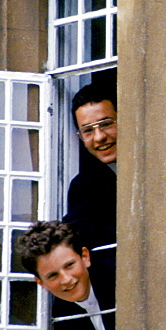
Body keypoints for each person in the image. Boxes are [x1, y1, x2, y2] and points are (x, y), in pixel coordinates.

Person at [18, 221, 115, 330]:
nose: (66, 280)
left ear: (85, 257)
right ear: (41, 283)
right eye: (52, 275)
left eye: (69, 265)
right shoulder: (61, 314)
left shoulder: (118, 279)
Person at [64, 84, 117, 259]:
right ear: (80, 137)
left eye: (106, 124)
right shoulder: (84, 187)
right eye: (88, 130)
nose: (100, 137)